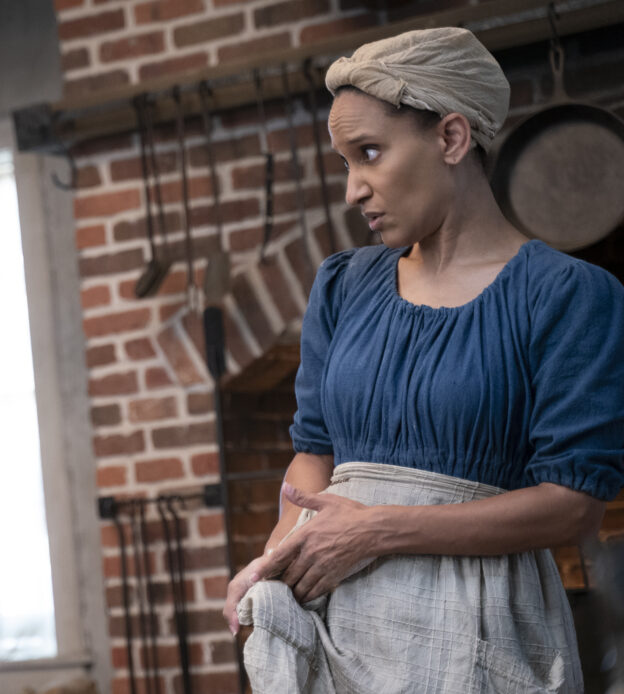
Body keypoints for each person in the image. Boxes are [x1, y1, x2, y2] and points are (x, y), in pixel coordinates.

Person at [222, 27, 624, 693]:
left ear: (451, 139)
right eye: (346, 163)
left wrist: (377, 531)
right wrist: (282, 553)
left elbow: (572, 507)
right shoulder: (343, 285)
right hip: (342, 627)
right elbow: (314, 452)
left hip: (480, 632)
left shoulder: (568, 297)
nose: (353, 189)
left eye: (370, 154)